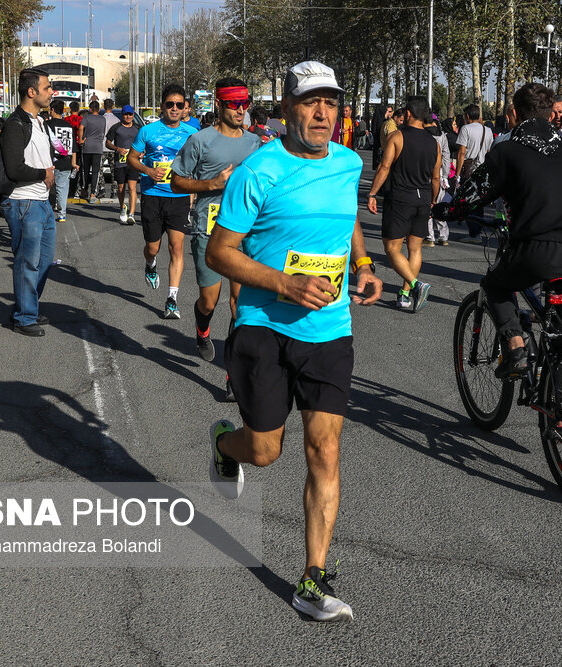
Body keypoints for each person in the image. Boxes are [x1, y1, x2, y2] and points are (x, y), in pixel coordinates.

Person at [205, 60, 383, 622]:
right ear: (285, 108)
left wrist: (363, 261)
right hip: (263, 325)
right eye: (310, 102)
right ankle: (224, 446)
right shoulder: (259, 170)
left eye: (331, 102)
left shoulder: (350, 162)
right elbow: (219, 252)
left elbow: (346, 214)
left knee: (324, 450)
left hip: (330, 330)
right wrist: (283, 282)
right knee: (264, 451)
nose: (322, 112)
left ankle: (313, 578)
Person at [433, 82, 562, 378]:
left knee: (495, 286)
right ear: (551, 115)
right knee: (560, 339)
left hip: (539, 248)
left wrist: (449, 209)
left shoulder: (508, 149)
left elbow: (474, 193)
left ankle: (516, 349)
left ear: (514, 113)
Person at [170, 77, 261, 401]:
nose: (240, 109)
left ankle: (232, 376)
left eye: (245, 103)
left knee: (240, 307)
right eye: (234, 103)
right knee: (209, 300)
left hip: (243, 235)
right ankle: (202, 328)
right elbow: (177, 182)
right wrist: (212, 184)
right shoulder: (200, 140)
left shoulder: (254, 144)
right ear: (219, 105)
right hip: (208, 232)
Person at [127, 83, 198, 319]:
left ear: (185, 108)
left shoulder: (191, 134)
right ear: (162, 106)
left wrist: (193, 190)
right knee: (153, 247)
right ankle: (150, 264)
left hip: (178, 197)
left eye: (179, 105)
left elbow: (197, 164)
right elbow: (132, 158)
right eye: (170, 104)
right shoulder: (148, 131)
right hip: (152, 196)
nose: (175, 109)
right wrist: (147, 170)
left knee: (177, 247)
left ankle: (172, 300)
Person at [367, 96, 441, 312]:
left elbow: (384, 167)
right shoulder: (434, 143)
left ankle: (417, 285)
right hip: (424, 198)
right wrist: (434, 201)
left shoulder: (397, 136)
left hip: (400, 197)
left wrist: (372, 193)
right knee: (415, 248)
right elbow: (436, 178)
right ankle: (404, 293)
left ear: (408, 114)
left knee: (391, 248)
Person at [0, 68, 56, 337]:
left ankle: (28, 306)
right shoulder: (15, 124)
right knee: (27, 263)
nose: (51, 92)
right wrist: (42, 174)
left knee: (44, 263)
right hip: (24, 203)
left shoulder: (39, 121)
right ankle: (24, 317)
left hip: (42, 203)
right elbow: (13, 169)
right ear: (31, 92)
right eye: (47, 88)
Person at [454, 104, 494, 240]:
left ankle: (474, 232)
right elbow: (489, 152)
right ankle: (478, 231)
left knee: (468, 201)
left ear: (467, 116)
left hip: (469, 171)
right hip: (483, 170)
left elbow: (461, 153)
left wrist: (457, 174)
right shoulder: (488, 130)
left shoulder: (465, 129)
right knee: (478, 201)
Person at [45, 101, 80, 224]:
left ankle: (46, 213)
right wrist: (73, 163)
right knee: (62, 189)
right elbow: (74, 147)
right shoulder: (69, 126)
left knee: (46, 188)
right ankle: (62, 214)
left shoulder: (46, 125)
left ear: (53, 110)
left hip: (49, 161)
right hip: (66, 161)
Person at [105, 105, 140, 224]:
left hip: (133, 162)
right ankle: (122, 208)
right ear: (122, 115)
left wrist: (141, 153)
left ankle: (132, 214)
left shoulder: (137, 128)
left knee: (132, 188)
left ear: (133, 115)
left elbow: (143, 143)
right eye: (126, 114)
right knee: (121, 188)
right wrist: (117, 149)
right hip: (120, 162)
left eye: (130, 114)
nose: (128, 117)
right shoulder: (116, 127)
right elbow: (107, 143)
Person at [422, 114, 451, 247]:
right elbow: (446, 155)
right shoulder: (442, 135)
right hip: (439, 172)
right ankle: (443, 236)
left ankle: (430, 237)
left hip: (425, 173)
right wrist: (445, 175)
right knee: (438, 204)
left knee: (427, 204)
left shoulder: (422, 135)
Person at [77, 99, 106, 202]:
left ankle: (85, 190)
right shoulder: (103, 119)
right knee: (95, 171)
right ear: (98, 109)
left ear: (90, 109)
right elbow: (103, 132)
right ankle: (93, 193)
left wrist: (81, 140)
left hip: (87, 146)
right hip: (98, 147)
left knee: (85, 170)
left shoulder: (86, 117)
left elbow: (81, 128)